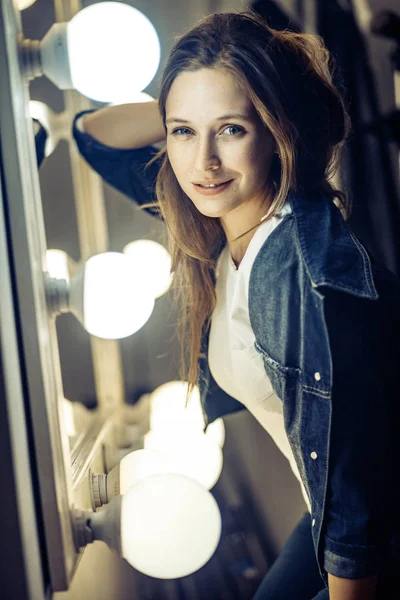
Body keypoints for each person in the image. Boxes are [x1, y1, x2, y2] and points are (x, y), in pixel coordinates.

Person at [71, 10, 400, 600]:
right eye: (182, 133)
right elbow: (90, 135)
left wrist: (195, 107)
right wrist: (191, 101)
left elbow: (353, 477)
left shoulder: (295, 271)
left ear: (278, 130)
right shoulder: (221, 218)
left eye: (232, 130)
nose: (205, 163)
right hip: (331, 505)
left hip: (372, 522)